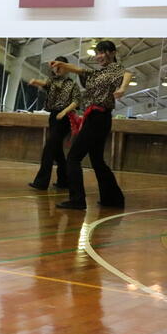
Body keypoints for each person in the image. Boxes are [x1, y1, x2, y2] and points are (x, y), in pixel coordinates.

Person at [51, 40, 132, 210]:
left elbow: (127, 73)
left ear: (112, 53)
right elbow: (79, 69)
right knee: (97, 161)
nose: (99, 56)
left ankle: (77, 200)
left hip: (99, 118)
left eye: (102, 52)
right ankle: (113, 199)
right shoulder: (97, 73)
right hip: (95, 118)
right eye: (97, 53)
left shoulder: (115, 68)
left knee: (73, 158)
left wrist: (122, 89)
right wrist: (62, 64)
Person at [27, 56, 80, 191]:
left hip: (65, 118)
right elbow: (45, 84)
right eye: (55, 67)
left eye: (60, 66)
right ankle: (64, 180)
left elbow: (76, 101)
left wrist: (64, 112)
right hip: (53, 117)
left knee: (49, 149)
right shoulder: (52, 81)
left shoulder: (72, 84)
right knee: (56, 150)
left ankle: (41, 182)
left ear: (66, 67)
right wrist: (35, 81)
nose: (57, 69)